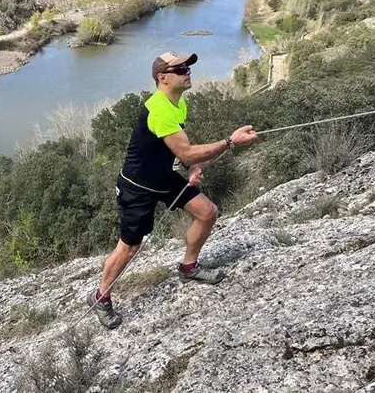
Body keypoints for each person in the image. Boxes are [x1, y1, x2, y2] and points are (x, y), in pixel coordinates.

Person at [89, 51, 258, 329]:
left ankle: (189, 267)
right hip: (138, 187)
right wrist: (229, 141)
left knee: (207, 213)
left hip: (164, 176)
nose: (187, 72)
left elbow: (179, 150)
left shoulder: (177, 104)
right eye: (180, 69)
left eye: (188, 67)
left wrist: (190, 166)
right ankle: (100, 296)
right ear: (162, 77)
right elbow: (188, 152)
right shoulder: (159, 109)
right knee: (130, 247)